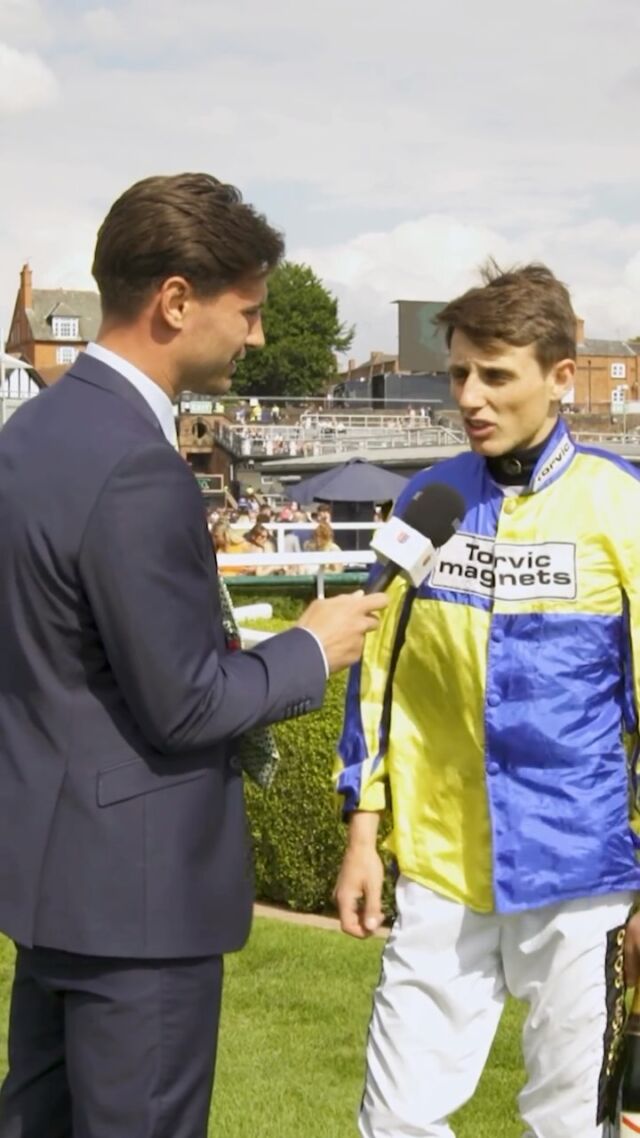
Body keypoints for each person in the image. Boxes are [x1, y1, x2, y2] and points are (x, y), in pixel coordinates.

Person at [0, 171, 388, 1138]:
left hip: (53, 883)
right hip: (139, 901)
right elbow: (182, 703)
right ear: (177, 299)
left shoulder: (35, 430)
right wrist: (308, 647)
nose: (256, 334)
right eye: (247, 310)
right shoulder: (137, 461)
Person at [334, 261, 640, 1138]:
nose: (470, 396)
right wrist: (364, 830)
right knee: (393, 1120)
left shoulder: (623, 509)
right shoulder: (425, 500)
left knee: (571, 1123)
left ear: (559, 374)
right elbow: (373, 672)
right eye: (460, 372)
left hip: (581, 874)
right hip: (439, 868)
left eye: (495, 375)